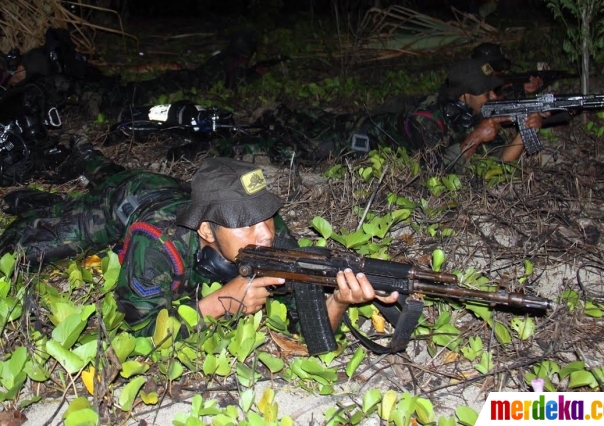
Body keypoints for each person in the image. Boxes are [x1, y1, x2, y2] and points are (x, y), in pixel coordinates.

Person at [0, 144, 398, 339]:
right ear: (206, 231)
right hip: (128, 202)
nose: (264, 235)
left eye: (266, 218)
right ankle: (51, 197)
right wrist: (221, 302)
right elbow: (138, 329)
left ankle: (87, 170)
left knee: (108, 171)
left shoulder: (268, 231)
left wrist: (338, 301)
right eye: (244, 225)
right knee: (24, 245)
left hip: (179, 192)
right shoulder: (157, 241)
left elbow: (304, 326)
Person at [185, 58, 544, 169]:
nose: (496, 95)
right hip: (344, 140)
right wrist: (474, 139)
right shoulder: (428, 118)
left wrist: (518, 134)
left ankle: (276, 117)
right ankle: (218, 134)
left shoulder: (463, 108)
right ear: (466, 94)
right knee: (280, 144)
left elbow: (495, 168)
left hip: (361, 128)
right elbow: (440, 173)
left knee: (296, 125)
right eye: (489, 91)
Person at [471, 42, 544, 96]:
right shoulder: (473, 85)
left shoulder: (495, 83)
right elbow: (489, 105)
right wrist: (516, 89)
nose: (502, 70)